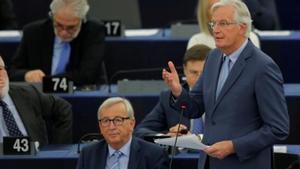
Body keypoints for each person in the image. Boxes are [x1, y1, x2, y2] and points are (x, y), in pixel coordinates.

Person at [162, 0, 289, 169]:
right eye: (213, 23)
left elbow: (278, 128)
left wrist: (233, 146)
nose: (215, 30)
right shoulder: (213, 58)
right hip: (209, 163)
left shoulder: (263, 67)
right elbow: (195, 107)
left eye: (223, 23)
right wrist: (178, 92)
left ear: (242, 27)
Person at [9, 0, 106, 87]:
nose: (64, 32)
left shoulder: (94, 31)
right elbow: (12, 71)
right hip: (40, 98)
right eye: (59, 25)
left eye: (71, 28)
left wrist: (48, 81)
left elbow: (86, 74)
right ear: (52, 16)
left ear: (83, 20)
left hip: (80, 94)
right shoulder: (33, 32)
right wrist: (26, 75)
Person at [135, 44, 211, 138]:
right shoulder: (170, 97)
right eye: (194, 72)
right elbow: (140, 131)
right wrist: (167, 136)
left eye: (203, 73)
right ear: (185, 70)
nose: (199, 78)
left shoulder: (223, 95)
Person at [76, 97, 169, 169]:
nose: (111, 127)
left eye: (118, 120)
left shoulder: (154, 155)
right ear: (100, 126)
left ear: (132, 123)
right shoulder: (88, 154)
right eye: (106, 121)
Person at [0, 56, 72, 147]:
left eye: (0, 69)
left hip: (36, 158)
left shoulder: (27, 93)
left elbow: (63, 108)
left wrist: (59, 149)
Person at [187, 0, 260, 49]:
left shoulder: (250, 38)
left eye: (222, 4)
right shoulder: (197, 41)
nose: (219, 10)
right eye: (214, 7)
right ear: (205, 12)